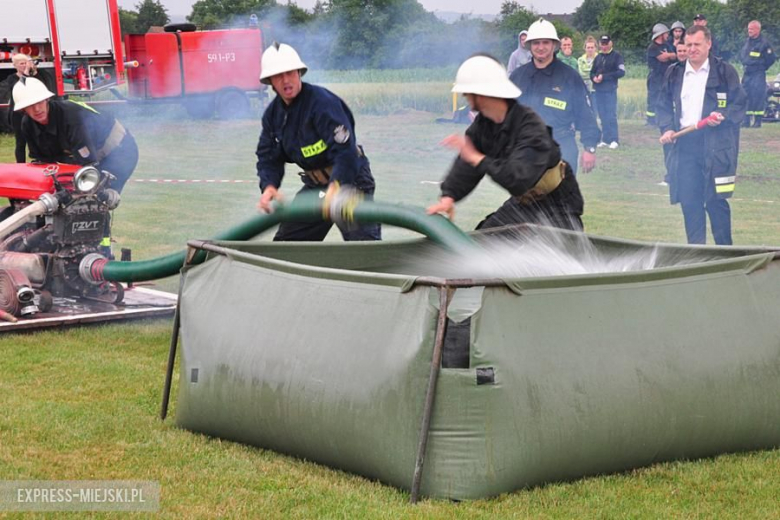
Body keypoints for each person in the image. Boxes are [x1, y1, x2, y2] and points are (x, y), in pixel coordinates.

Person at [427, 55, 585, 232]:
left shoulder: (531, 127)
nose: (467, 100)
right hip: (524, 204)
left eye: (468, 94)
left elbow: (518, 179)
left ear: (483, 95)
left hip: (558, 207)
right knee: (482, 240)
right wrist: (449, 197)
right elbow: (467, 163)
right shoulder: (483, 125)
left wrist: (477, 158)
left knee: (555, 254)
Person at [255, 43, 380, 241]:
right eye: (279, 76)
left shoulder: (322, 103)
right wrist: (269, 185)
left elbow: (345, 151)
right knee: (287, 248)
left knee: (364, 252)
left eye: (290, 73)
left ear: (299, 73)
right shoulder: (273, 115)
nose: (286, 80)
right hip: (316, 187)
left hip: (349, 182)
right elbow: (268, 156)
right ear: (270, 81)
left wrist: (337, 185)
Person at [657, 25, 746, 245]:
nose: (692, 49)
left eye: (697, 44)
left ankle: (725, 254)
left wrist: (723, 116)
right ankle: (698, 254)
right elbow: (663, 106)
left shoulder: (725, 72)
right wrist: (667, 127)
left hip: (716, 145)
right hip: (685, 144)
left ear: (709, 44)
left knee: (716, 201)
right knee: (690, 201)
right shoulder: (675, 72)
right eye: (688, 45)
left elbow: (740, 104)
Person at [13, 77, 138, 194]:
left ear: (47, 100)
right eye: (30, 105)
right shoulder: (27, 124)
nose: (37, 109)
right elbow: (42, 163)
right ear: (23, 109)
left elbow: (87, 162)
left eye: (39, 102)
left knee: (96, 198)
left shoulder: (70, 116)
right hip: (88, 156)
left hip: (119, 150)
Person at [509, 18, 600, 176]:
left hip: (562, 147)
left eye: (545, 42)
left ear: (554, 45)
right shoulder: (518, 77)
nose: (541, 47)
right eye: (536, 43)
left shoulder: (569, 76)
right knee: (525, 200)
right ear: (529, 45)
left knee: (561, 200)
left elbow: (586, 114)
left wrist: (590, 148)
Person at [2, 54, 56, 163]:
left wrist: (34, 72)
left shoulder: (34, 77)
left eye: (26, 63)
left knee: (39, 138)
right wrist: (26, 73)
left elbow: (42, 86)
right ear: (15, 65)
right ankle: (20, 165)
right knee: (20, 142)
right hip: (18, 114)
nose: (24, 65)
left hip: (33, 113)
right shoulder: (12, 78)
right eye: (21, 63)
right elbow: (20, 87)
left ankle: (41, 160)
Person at [739, 20, 776, 128]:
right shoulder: (747, 41)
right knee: (745, 95)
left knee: (757, 96)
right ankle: (746, 120)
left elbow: (771, 58)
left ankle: (757, 121)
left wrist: (762, 67)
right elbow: (743, 54)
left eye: (751, 29)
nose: (749, 31)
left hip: (758, 73)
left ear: (758, 30)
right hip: (747, 73)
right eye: (748, 28)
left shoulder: (764, 43)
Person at [591, 35, 625, 149]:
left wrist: (604, 77)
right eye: (602, 44)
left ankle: (614, 139)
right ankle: (605, 139)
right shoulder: (598, 57)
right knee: (602, 115)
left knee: (611, 115)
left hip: (610, 90)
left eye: (606, 44)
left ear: (611, 43)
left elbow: (621, 72)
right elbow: (592, 72)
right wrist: (594, 78)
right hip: (599, 90)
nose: (604, 46)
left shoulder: (617, 56)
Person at [646, 23, 676, 125]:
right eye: (666, 33)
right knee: (654, 98)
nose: (668, 35)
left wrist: (669, 55)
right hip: (656, 77)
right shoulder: (653, 47)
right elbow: (662, 58)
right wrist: (669, 56)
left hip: (667, 76)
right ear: (660, 34)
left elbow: (675, 56)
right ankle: (651, 121)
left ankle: (662, 119)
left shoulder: (667, 45)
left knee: (665, 98)